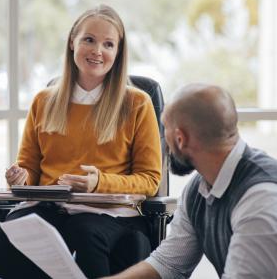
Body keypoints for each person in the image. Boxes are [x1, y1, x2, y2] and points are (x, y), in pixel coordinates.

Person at [0, 5, 162, 279]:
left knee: (83, 232)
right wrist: (21, 178)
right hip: (52, 207)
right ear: (73, 42)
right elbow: (30, 168)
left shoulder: (137, 103)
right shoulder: (44, 101)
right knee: (14, 229)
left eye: (108, 44)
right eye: (89, 40)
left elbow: (150, 179)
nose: (98, 51)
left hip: (112, 214)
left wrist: (99, 183)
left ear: (118, 53)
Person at [101, 83, 277, 279]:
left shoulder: (260, 200)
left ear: (180, 139)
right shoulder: (199, 188)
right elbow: (168, 264)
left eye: (164, 129)